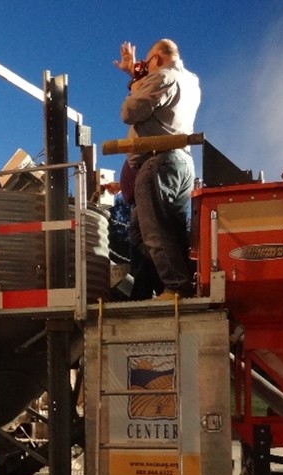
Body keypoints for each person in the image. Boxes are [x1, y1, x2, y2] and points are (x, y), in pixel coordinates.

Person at [115, 38, 201, 299]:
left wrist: (134, 82)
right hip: (179, 162)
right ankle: (164, 287)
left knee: (155, 232)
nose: (144, 67)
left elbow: (130, 112)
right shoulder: (191, 80)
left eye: (147, 62)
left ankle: (175, 287)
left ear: (159, 58)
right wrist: (137, 75)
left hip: (158, 162)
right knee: (163, 231)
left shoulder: (163, 77)